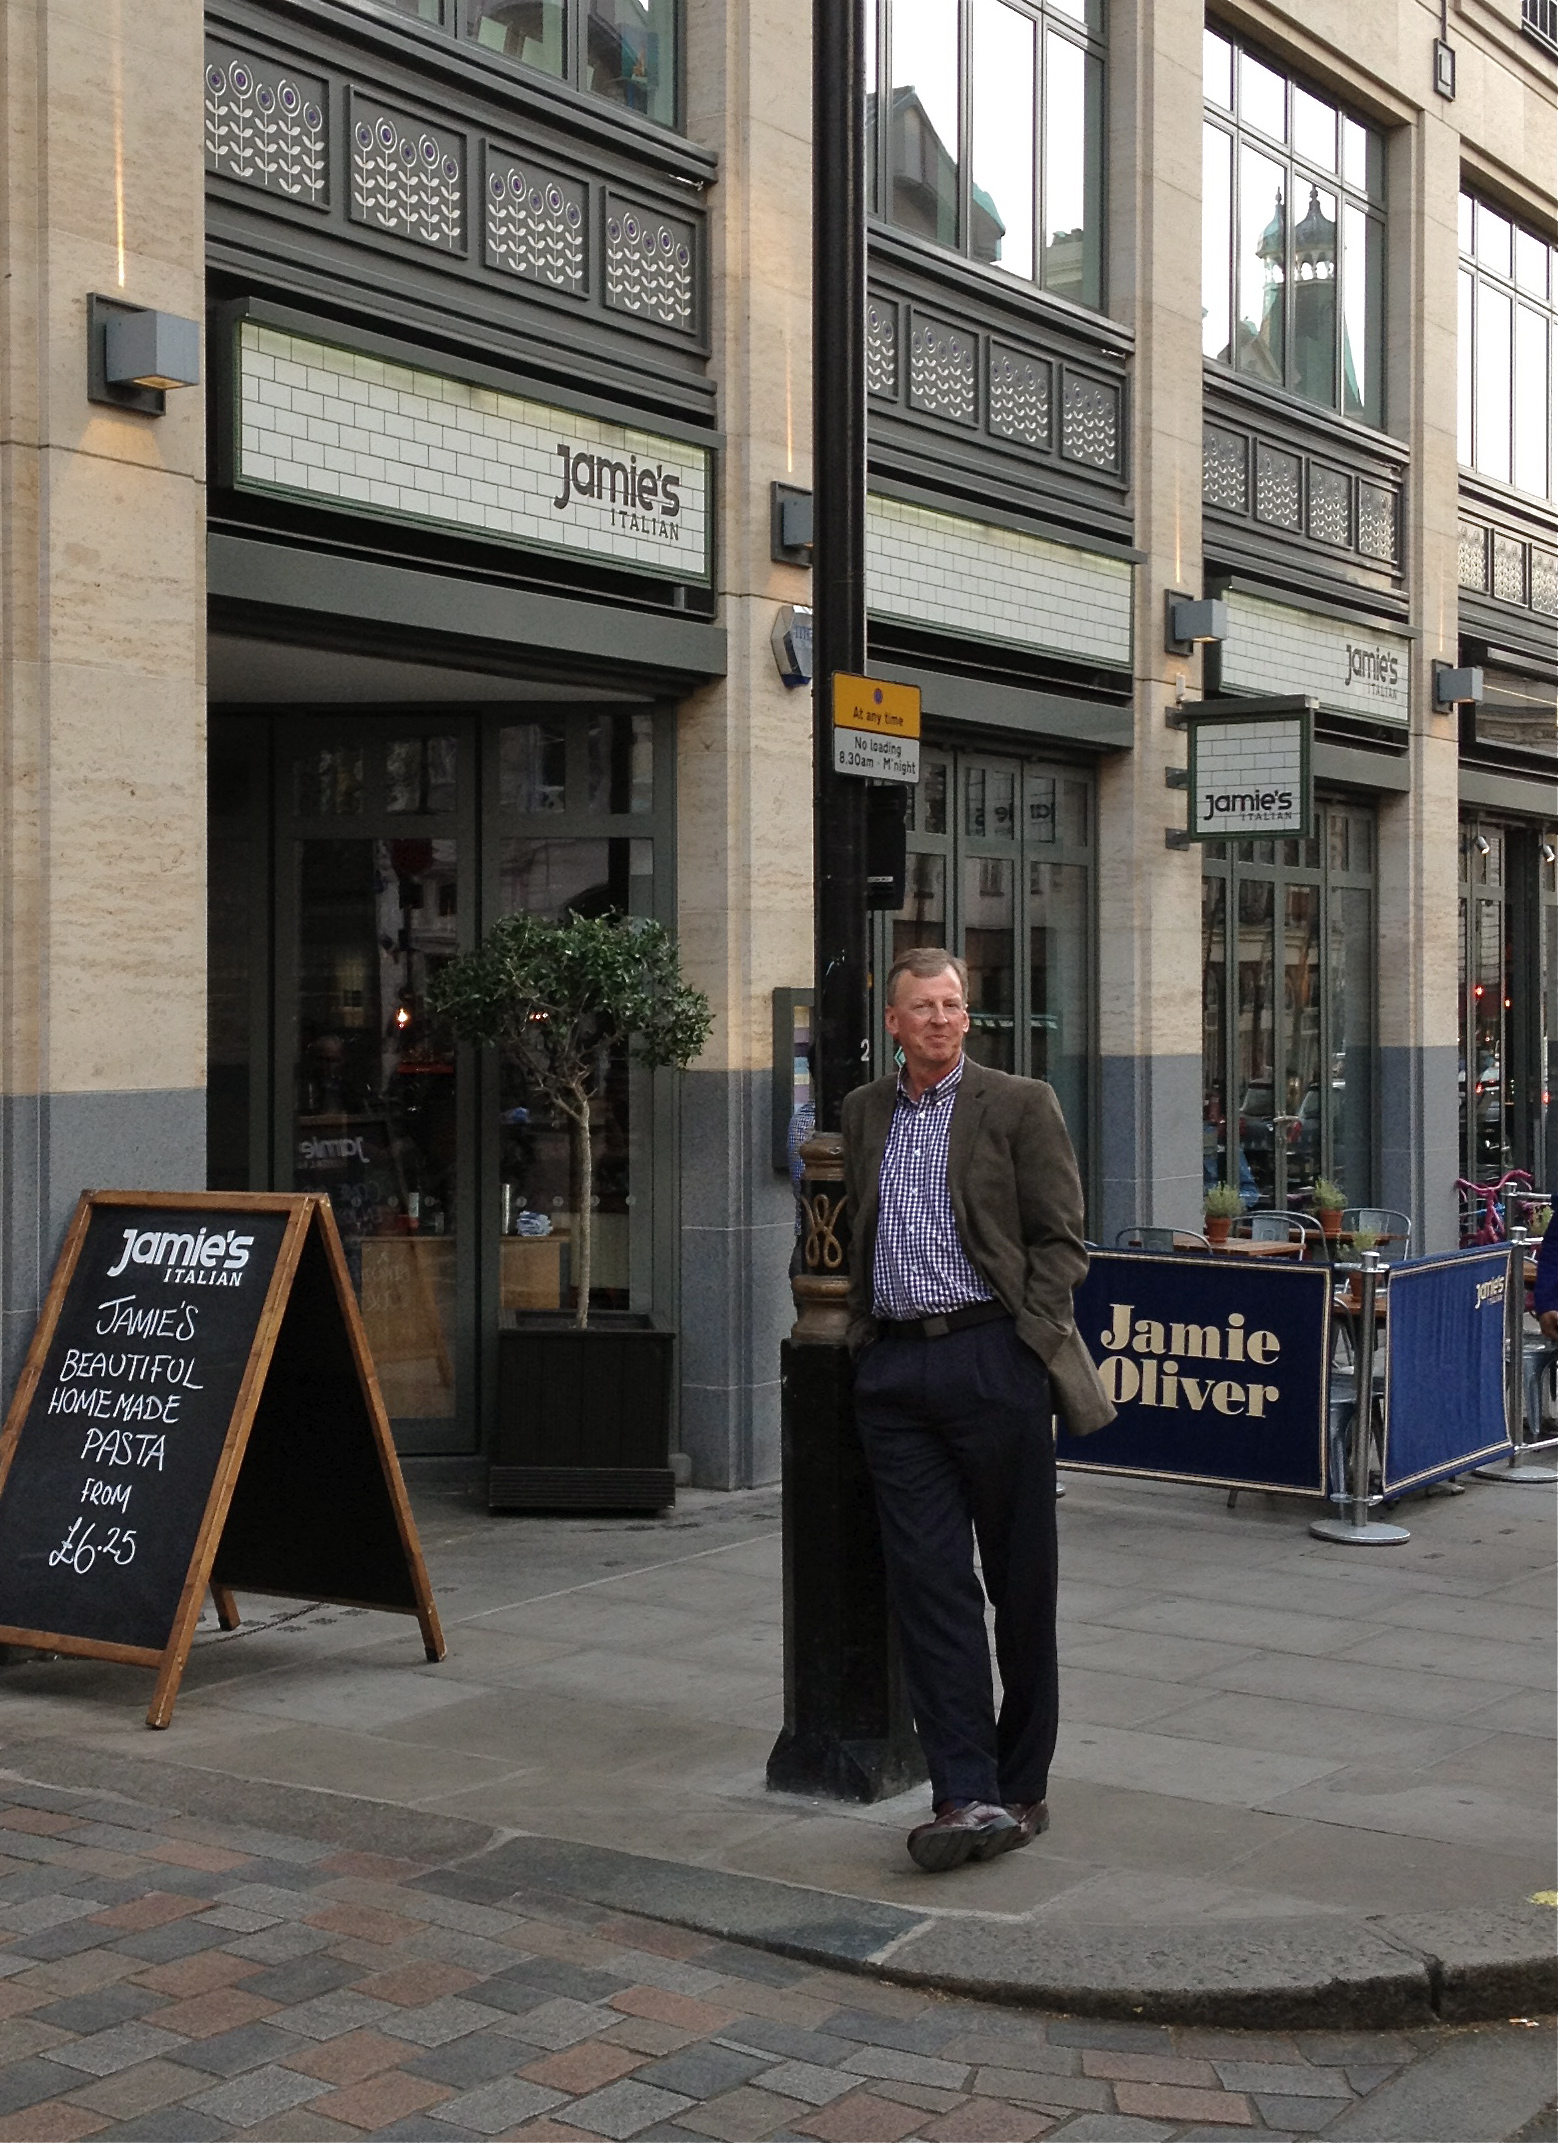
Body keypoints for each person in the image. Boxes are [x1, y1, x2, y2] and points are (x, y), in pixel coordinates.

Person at [841, 946, 1114, 1874]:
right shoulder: (865, 1110)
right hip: (895, 1373)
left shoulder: (1019, 1102)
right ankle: (965, 1790)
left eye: (953, 1004)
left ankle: (1022, 1783)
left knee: (1019, 1580)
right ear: (893, 1021)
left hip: (991, 1357)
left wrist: (1028, 1343)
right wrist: (863, 1336)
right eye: (922, 1006)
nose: (941, 1019)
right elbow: (859, 1223)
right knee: (930, 1586)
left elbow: (1061, 1239)